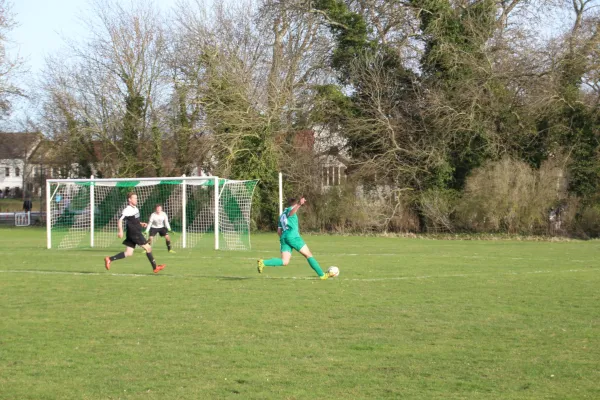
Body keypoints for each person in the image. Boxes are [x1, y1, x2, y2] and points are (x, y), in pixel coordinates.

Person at [257, 197, 333, 280]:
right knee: (308, 255)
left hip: (284, 237)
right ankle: (322, 275)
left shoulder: (282, 215)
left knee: (285, 261)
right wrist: (299, 204)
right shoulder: (290, 211)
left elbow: (279, 231)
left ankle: (263, 262)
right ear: (295, 204)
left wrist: (284, 239)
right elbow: (291, 213)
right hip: (293, 236)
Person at [104, 192, 165, 273]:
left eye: (136, 198)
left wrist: (141, 223)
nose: (136, 199)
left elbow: (133, 220)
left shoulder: (135, 208)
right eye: (134, 198)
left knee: (129, 253)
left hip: (132, 233)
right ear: (129, 199)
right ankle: (155, 267)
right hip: (135, 233)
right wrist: (120, 231)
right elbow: (120, 220)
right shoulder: (127, 210)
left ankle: (109, 259)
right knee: (148, 248)